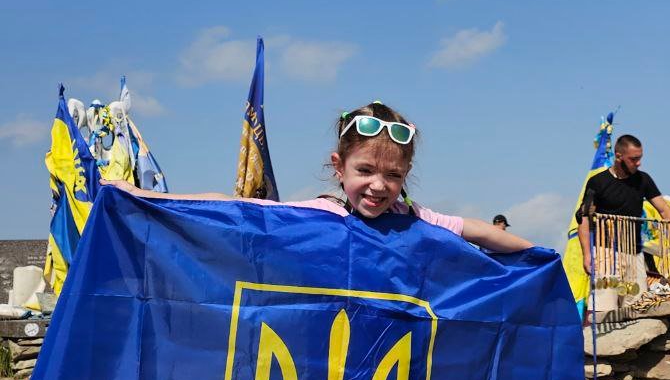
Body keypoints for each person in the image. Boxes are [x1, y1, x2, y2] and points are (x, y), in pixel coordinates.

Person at [115, 100, 533, 254]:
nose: (379, 185)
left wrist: (541, 259)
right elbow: (234, 208)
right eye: (365, 170)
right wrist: (147, 197)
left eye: (393, 175)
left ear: (405, 174)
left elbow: (480, 231)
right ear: (339, 166)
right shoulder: (318, 214)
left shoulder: (416, 219)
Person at [576, 133, 670, 276]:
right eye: (633, 159)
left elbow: (664, 210)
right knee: (608, 292)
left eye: (640, 158)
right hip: (605, 253)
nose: (638, 163)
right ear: (619, 156)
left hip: (635, 253)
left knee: (640, 291)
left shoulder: (643, 179)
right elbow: (584, 218)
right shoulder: (598, 182)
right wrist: (587, 254)